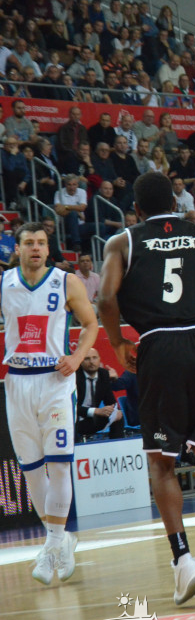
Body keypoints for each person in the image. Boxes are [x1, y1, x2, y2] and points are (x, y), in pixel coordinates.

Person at [97, 171, 195, 607]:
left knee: (161, 464)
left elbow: (106, 299)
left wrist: (118, 343)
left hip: (158, 346)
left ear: (136, 209)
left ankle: (184, 562)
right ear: (175, 203)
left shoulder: (122, 241)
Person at [2, 222, 97, 586]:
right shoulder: (4, 283)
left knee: (58, 466)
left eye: (41, 243)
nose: (36, 248)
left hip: (56, 381)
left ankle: (53, 544)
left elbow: (90, 324)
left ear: (47, 247)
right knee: (31, 470)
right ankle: (60, 539)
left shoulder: (66, 281)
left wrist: (77, 357)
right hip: (17, 382)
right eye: (29, 243)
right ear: (18, 249)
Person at [74, 347, 124, 441]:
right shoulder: (74, 377)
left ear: (99, 359)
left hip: (94, 419)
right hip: (76, 419)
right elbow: (71, 407)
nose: (91, 362)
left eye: (94, 358)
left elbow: (111, 401)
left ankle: (116, 445)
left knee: (118, 415)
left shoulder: (103, 374)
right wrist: (96, 411)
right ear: (80, 361)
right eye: (87, 359)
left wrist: (113, 410)